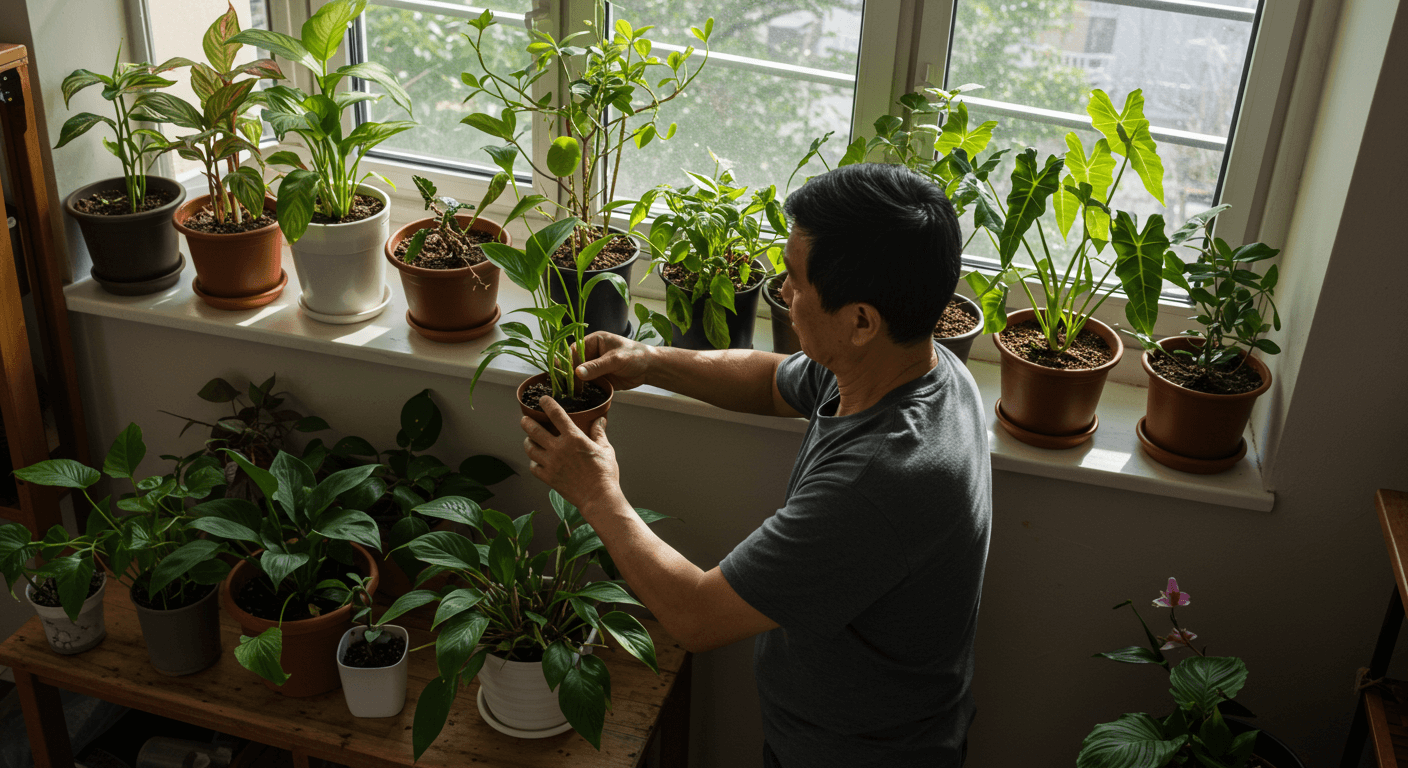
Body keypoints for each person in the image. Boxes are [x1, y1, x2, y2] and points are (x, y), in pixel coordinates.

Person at [520, 163, 992, 767]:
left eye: (795, 281)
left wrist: (596, 492)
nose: (782, 294)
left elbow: (695, 615)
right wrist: (650, 360)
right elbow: (773, 380)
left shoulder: (880, 481)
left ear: (861, 320)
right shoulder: (917, 364)